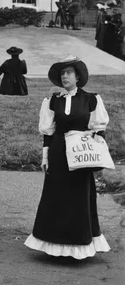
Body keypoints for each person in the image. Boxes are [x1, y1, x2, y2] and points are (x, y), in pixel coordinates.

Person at [25, 56, 111, 259]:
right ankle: (54, 244)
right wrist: (45, 157)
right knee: (56, 197)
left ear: (78, 77)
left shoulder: (91, 99)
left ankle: (79, 245)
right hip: (58, 154)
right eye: (62, 73)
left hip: (81, 154)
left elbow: (99, 129)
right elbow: (48, 132)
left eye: (69, 73)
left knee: (79, 197)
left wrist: (95, 153)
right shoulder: (53, 101)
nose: (65, 76)